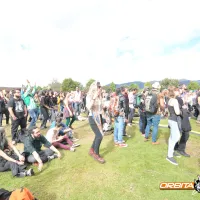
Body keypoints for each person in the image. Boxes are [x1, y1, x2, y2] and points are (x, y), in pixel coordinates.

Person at [87, 81, 105, 164]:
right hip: (92, 118)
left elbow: (101, 108)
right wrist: (94, 97)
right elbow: (89, 107)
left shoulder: (99, 96)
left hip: (99, 117)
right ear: (94, 88)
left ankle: (91, 150)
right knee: (99, 136)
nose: (100, 88)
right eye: (98, 87)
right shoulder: (89, 96)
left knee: (98, 135)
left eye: (100, 87)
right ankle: (96, 154)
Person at [166, 86, 181, 165]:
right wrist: (183, 111)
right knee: (176, 137)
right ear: (174, 92)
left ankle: (171, 152)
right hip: (174, 120)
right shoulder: (174, 100)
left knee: (172, 137)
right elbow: (177, 112)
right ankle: (169, 156)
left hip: (170, 119)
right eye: (178, 91)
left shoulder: (169, 100)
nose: (179, 92)